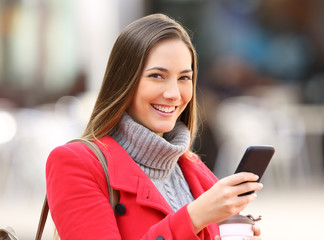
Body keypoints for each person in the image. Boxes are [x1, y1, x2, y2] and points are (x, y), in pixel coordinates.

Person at [46, 13, 263, 240]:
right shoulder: (76, 163)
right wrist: (194, 217)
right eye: (157, 76)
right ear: (124, 81)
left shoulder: (193, 168)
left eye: (184, 78)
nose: (173, 94)